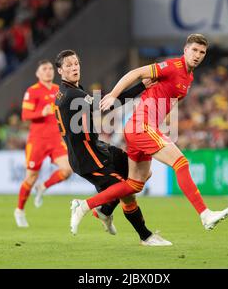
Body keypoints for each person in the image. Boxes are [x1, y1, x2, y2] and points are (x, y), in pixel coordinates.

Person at [70, 34, 228, 235]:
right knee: (181, 163)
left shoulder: (188, 78)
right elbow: (136, 72)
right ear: (185, 50)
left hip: (144, 127)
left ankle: (86, 206)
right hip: (141, 125)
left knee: (136, 183)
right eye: (194, 50)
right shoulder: (173, 66)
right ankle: (205, 214)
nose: (197, 55)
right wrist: (113, 95)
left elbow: (164, 99)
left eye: (202, 52)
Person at [54, 49, 171, 246]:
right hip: (89, 159)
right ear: (60, 71)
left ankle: (105, 211)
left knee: (141, 175)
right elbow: (108, 104)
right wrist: (140, 87)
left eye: (76, 63)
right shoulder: (73, 94)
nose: (74, 67)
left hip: (98, 148)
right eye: (68, 65)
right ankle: (146, 236)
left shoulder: (68, 91)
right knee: (126, 189)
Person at [14, 60, 73, 227]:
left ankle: (43, 187)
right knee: (30, 177)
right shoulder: (32, 91)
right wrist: (42, 112)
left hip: (55, 140)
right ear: (38, 74)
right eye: (44, 69)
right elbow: (25, 115)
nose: (48, 71)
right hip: (37, 141)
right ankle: (19, 210)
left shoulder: (59, 90)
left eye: (49, 68)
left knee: (68, 169)